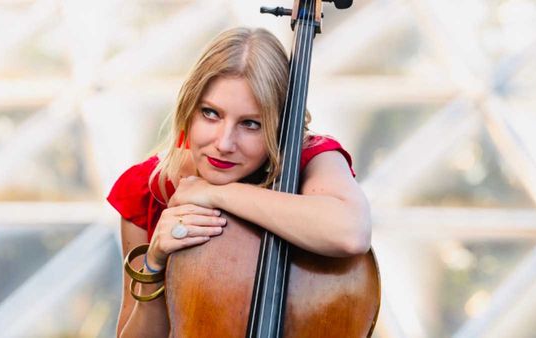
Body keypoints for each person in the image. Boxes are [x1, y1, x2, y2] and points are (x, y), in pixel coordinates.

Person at [107, 27, 371, 337]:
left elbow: (350, 232)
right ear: (189, 109)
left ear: (279, 128)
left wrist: (215, 193)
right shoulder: (147, 187)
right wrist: (153, 263)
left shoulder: (310, 159)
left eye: (251, 124)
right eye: (210, 114)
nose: (224, 143)